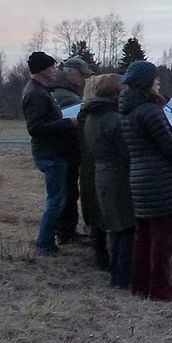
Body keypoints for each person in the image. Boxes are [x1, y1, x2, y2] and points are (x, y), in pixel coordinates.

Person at [119, 61, 172, 301]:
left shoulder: (128, 111)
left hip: (139, 179)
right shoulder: (150, 111)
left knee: (143, 236)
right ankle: (160, 290)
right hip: (159, 180)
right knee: (162, 240)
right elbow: (169, 146)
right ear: (146, 83)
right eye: (155, 79)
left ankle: (140, 285)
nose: (159, 83)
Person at [22, 51, 77, 255]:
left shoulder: (41, 90)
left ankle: (47, 243)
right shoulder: (35, 94)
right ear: (43, 70)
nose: (55, 71)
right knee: (56, 201)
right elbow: (35, 128)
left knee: (57, 199)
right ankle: (44, 244)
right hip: (50, 155)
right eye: (52, 67)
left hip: (52, 153)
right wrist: (67, 122)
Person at [82, 73, 133, 288]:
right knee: (127, 228)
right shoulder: (114, 119)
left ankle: (116, 272)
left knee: (115, 227)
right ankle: (122, 277)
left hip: (103, 175)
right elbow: (128, 151)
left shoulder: (93, 116)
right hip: (118, 176)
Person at [51, 56, 95, 245]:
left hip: (66, 151)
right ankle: (65, 232)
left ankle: (67, 231)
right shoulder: (66, 96)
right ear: (71, 73)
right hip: (65, 151)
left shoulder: (63, 92)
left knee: (68, 192)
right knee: (67, 193)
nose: (84, 79)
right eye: (82, 75)